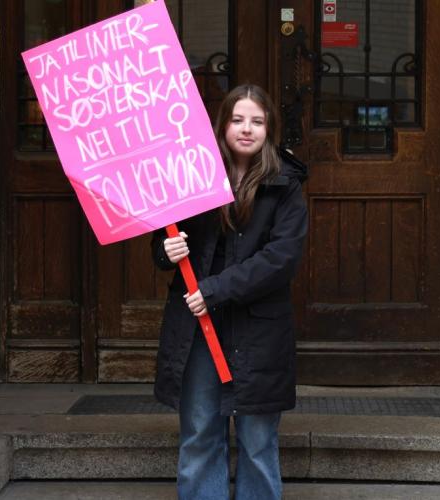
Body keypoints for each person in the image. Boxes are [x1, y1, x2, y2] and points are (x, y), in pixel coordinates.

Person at [150, 84, 308, 500]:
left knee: (257, 442)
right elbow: (165, 238)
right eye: (238, 119)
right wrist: (167, 250)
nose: (246, 129)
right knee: (200, 433)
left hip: (259, 331)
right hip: (199, 328)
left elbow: (282, 258)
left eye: (256, 121)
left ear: (269, 128)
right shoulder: (191, 172)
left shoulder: (286, 183)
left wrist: (216, 289)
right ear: (221, 125)